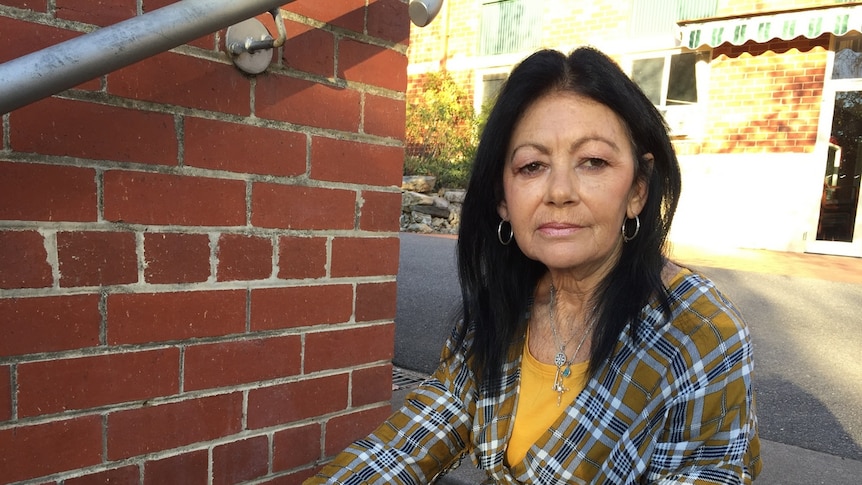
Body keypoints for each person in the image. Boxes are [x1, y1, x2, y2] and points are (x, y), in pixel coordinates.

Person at [305, 47, 761, 484]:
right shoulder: (502, 310)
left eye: (594, 161)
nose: (559, 191)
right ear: (503, 199)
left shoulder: (699, 333)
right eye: (531, 166)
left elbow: (705, 473)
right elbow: (409, 443)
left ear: (637, 189)